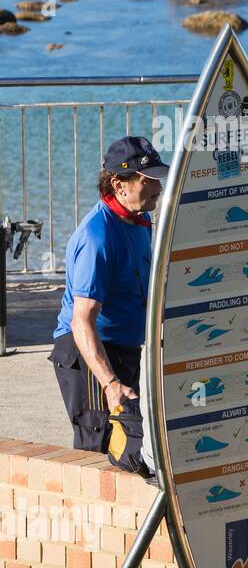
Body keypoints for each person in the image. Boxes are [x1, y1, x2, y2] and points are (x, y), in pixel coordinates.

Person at [49, 137, 168, 452]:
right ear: (119, 184)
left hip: (124, 347)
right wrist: (110, 383)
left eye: (159, 178)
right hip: (88, 352)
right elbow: (81, 320)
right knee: (101, 451)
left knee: (133, 447)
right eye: (149, 180)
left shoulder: (140, 220)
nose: (159, 186)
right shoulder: (97, 238)